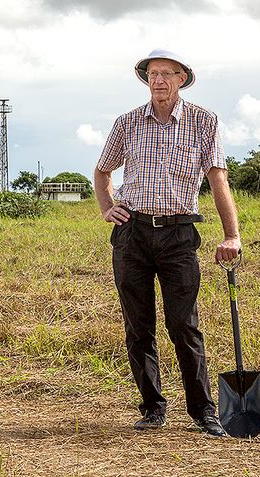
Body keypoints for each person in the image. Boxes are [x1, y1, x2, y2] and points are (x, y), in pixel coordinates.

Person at [94, 48, 241, 437]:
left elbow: (217, 180)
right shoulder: (127, 123)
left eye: (167, 74)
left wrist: (232, 235)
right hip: (132, 235)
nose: (158, 80)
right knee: (138, 326)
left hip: (178, 235)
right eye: (152, 74)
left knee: (184, 325)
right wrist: (108, 207)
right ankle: (153, 407)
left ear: (182, 79)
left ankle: (203, 411)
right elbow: (103, 170)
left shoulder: (203, 121)